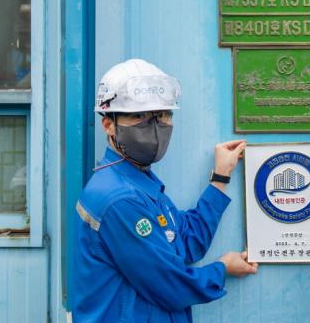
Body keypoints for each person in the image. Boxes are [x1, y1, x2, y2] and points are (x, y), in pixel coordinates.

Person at [72, 59, 257, 322]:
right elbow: (171, 286)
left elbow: (185, 242)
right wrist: (222, 269)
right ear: (108, 124)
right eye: (139, 116)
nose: (154, 127)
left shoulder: (138, 183)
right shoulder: (119, 199)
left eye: (162, 115)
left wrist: (220, 178)